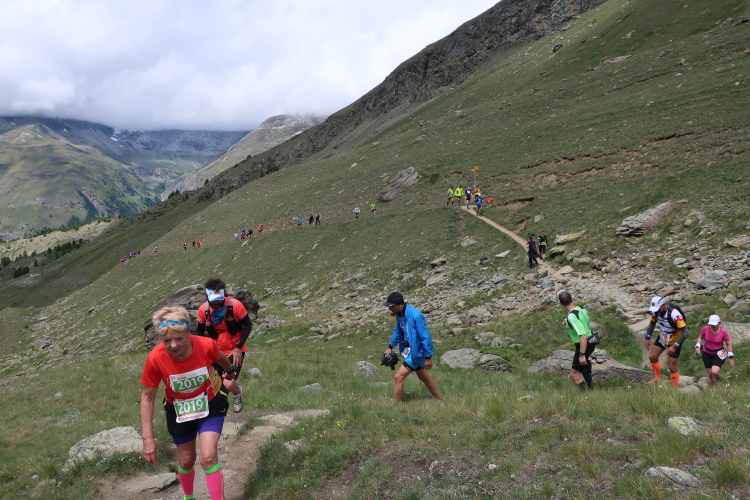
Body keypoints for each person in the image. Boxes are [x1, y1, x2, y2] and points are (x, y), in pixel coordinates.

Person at [140, 306, 235, 500]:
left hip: (210, 403)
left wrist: (230, 372)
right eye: (167, 340)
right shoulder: (156, 358)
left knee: (208, 457)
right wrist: (148, 438)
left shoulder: (205, 345)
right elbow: (147, 397)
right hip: (179, 410)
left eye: (179, 339)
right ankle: (188, 497)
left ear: (188, 333)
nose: (173, 345)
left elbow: (220, 357)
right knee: (186, 460)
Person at [195, 278, 253, 413]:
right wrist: (200, 350)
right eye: (213, 302)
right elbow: (199, 331)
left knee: (228, 383)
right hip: (214, 350)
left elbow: (247, 325)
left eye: (219, 301)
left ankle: (237, 393)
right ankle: (217, 410)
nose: (216, 304)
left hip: (234, 349)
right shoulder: (203, 310)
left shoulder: (235, 305)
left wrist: (238, 348)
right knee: (214, 382)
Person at [382, 292, 441, 401]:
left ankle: (394, 404)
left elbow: (425, 337)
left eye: (392, 306)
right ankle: (439, 399)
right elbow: (397, 331)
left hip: (417, 353)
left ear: (400, 304)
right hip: (410, 351)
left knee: (398, 377)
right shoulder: (399, 314)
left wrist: (428, 357)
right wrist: (390, 347)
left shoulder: (416, 316)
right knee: (424, 377)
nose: (390, 309)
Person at [644, 296, 690, 388]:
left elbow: (686, 332)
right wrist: (648, 337)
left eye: (658, 308)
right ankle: (657, 378)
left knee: (672, 367)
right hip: (663, 336)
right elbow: (652, 324)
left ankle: (674, 389)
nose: (656, 311)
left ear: (663, 305)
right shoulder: (656, 311)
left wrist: (675, 346)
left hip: (675, 339)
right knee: (652, 357)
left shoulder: (674, 313)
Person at [559, 291, 595, 391]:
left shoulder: (572, 316)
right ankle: (591, 389)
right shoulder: (581, 309)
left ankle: (584, 395)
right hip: (591, 341)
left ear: (561, 303)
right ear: (572, 299)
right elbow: (584, 320)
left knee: (574, 373)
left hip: (583, 344)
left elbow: (583, 335)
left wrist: (582, 355)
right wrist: (568, 321)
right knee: (583, 366)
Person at [695, 314, 735, 387]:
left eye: (714, 324)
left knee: (715, 371)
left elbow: (728, 344)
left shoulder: (723, 332)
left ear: (719, 323)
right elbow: (700, 337)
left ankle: (718, 381)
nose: (712, 326)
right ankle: (711, 389)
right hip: (707, 353)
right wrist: (698, 346)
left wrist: (730, 357)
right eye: (711, 324)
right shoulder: (705, 329)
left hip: (718, 354)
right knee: (709, 373)